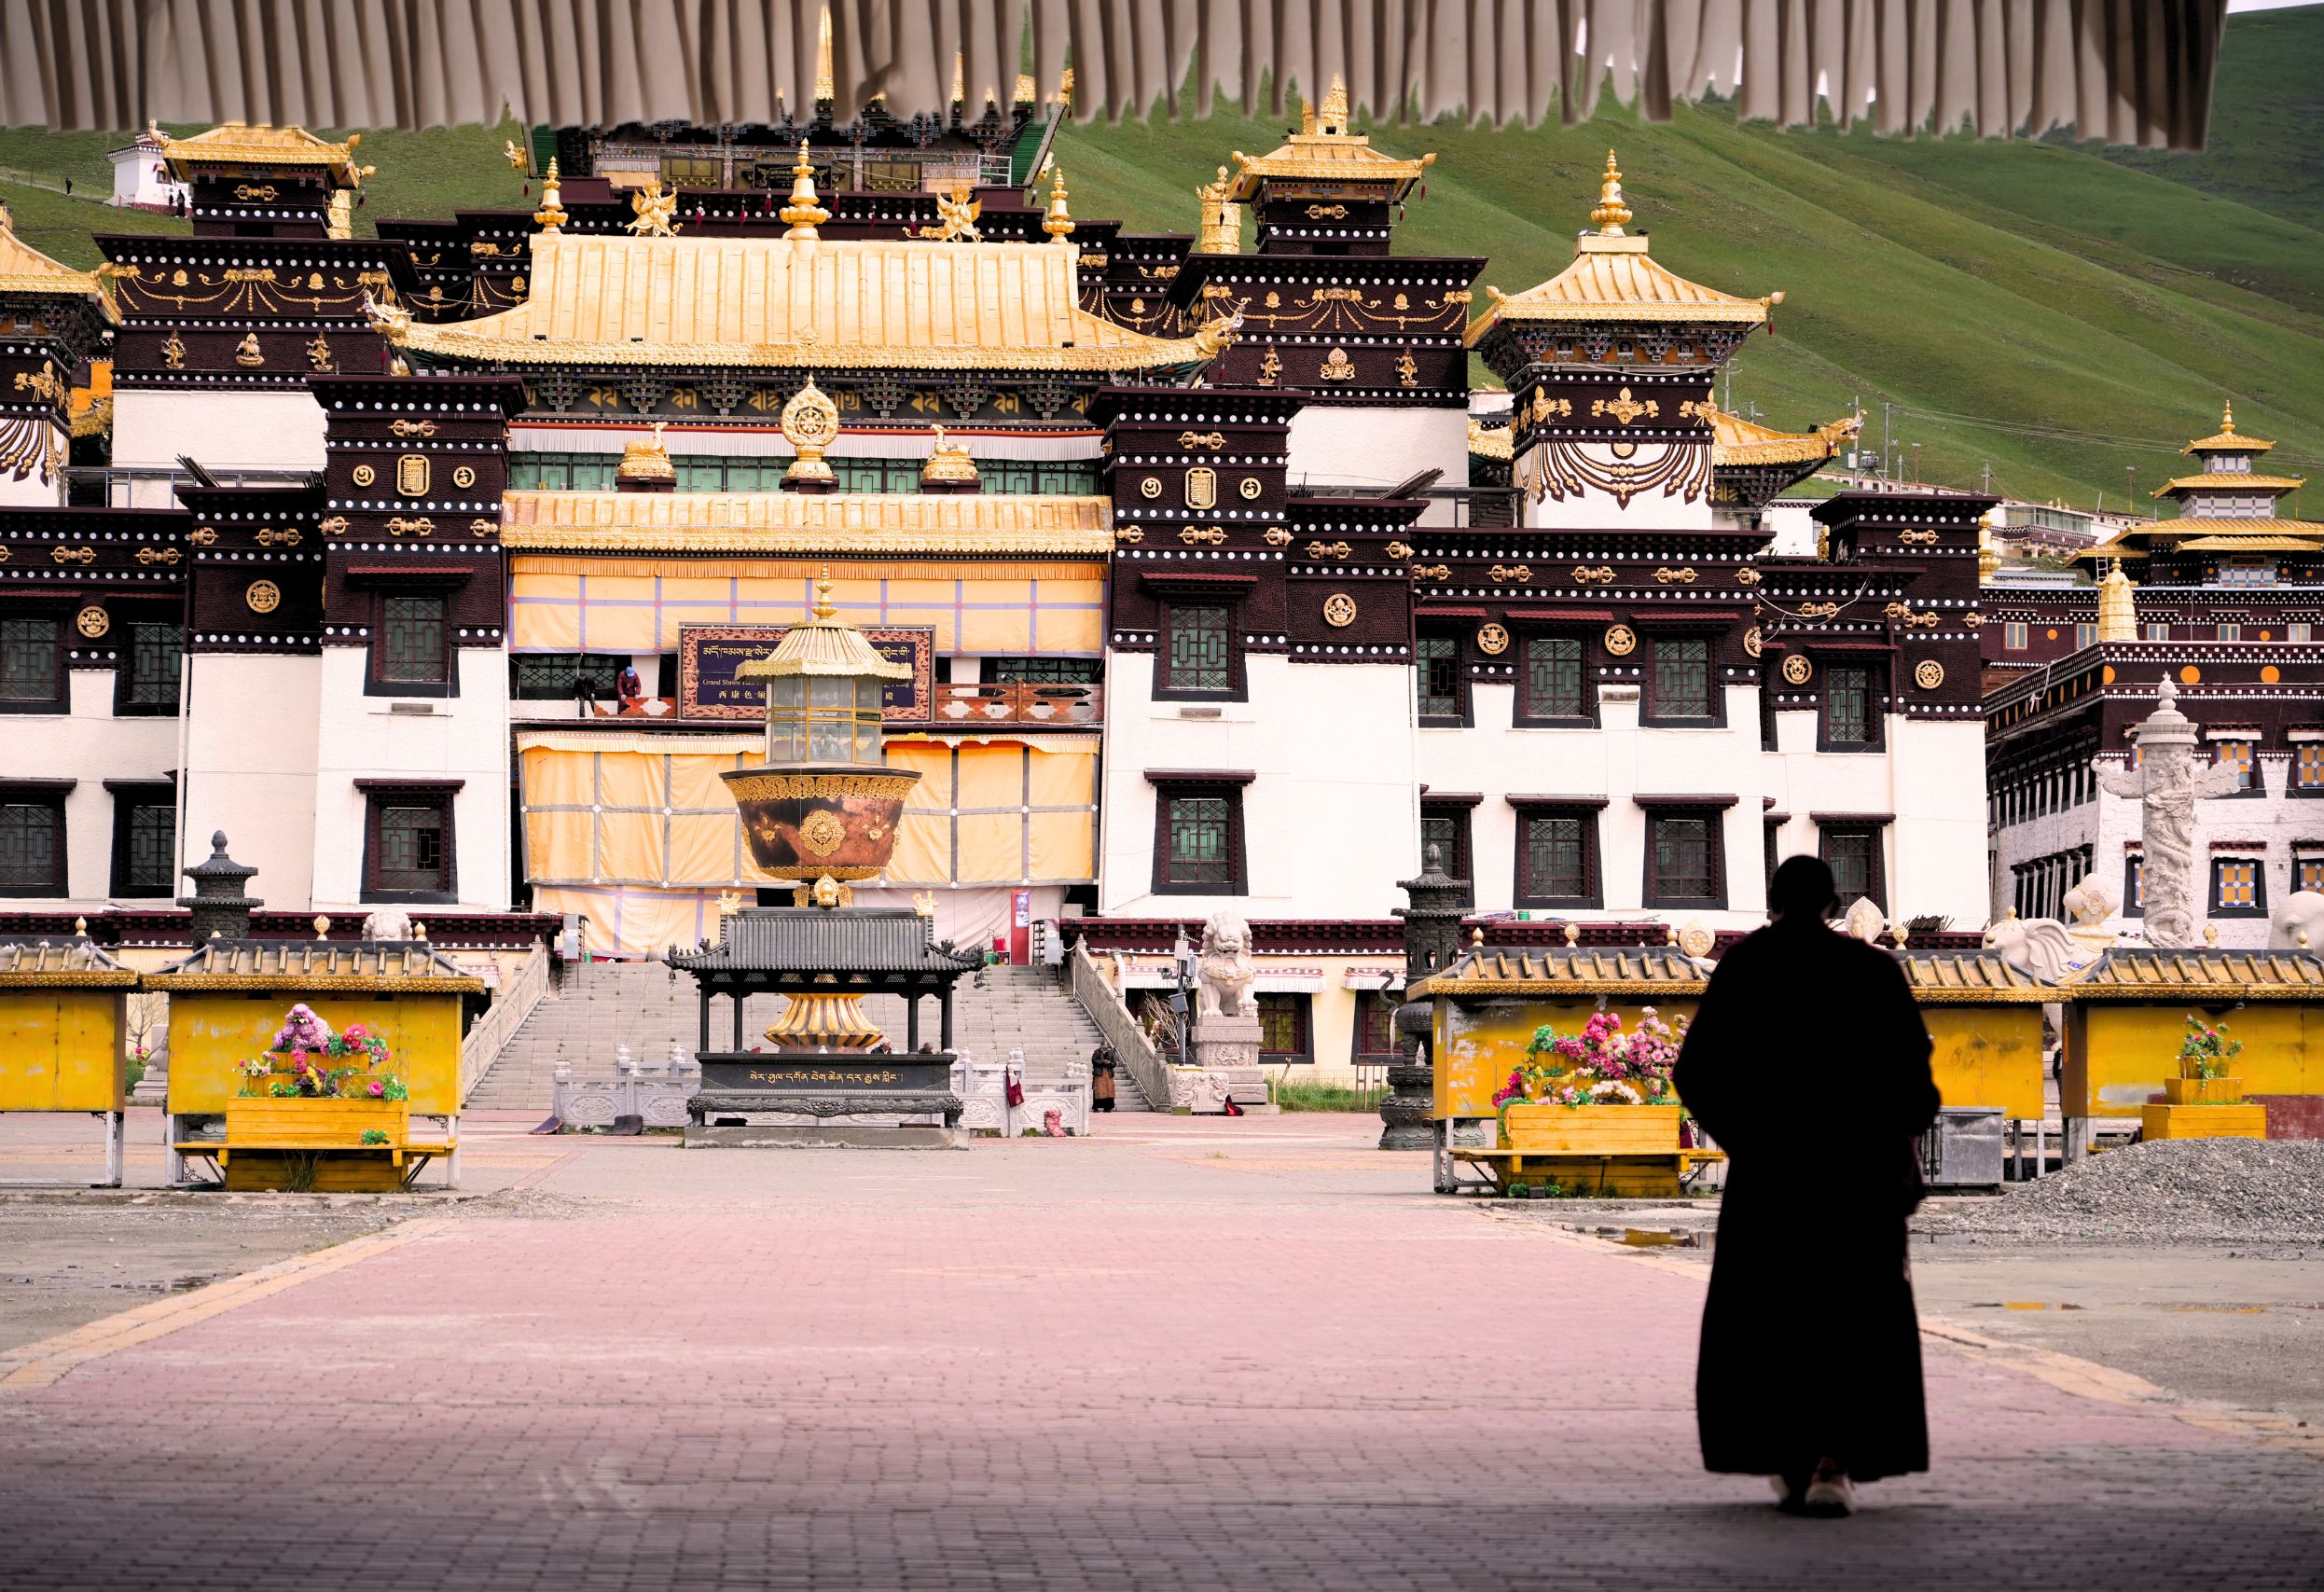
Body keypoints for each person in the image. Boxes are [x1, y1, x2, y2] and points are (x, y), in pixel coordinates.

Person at [1672, 855, 1939, 1519]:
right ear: (1832, 902)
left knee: (1774, 1315)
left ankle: (1790, 1453)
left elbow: (1694, 1071)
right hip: (1858, 1182)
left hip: (1773, 1180)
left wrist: (1748, 1138)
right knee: (1853, 1316)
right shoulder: (1873, 971)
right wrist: (1888, 1138)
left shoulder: (1745, 967)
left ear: (1772, 899)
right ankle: (1833, 1461)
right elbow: (1916, 1083)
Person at [1089, 1043, 1116, 1114]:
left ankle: (1107, 1108)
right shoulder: (1097, 1052)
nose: (1105, 1048)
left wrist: (1109, 1063)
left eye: (1106, 1047)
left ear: (1107, 1047)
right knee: (1098, 1090)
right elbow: (1094, 1061)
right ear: (1101, 1046)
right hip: (1099, 1074)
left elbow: (1114, 1063)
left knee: (1109, 1091)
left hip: (1109, 1074)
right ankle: (1096, 1107)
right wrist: (1102, 1062)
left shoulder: (1111, 1053)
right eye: (1103, 1046)